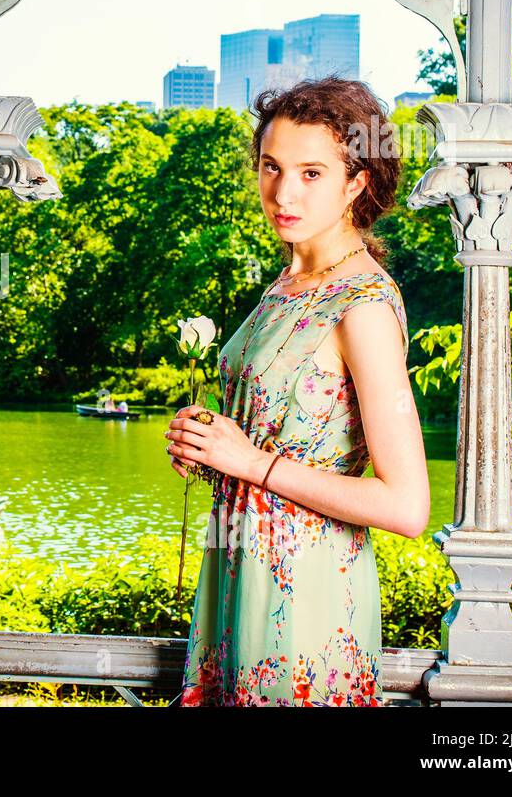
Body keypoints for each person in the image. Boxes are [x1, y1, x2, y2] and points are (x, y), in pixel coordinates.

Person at [164, 76, 428, 707]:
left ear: (356, 183)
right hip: (235, 576)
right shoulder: (287, 283)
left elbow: (407, 507)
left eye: (312, 173)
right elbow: (278, 433)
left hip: (306, 599)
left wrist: (250, 462)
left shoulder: (361, 305)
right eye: (271, 167)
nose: (283, 192)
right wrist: (206, 445)